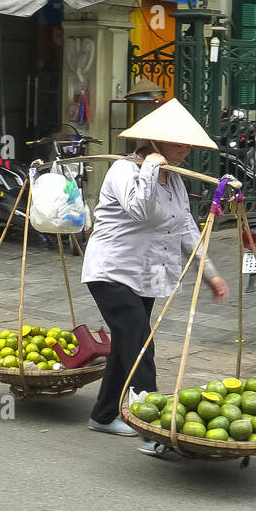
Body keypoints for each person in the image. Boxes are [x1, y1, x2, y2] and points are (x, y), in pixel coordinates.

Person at [81, 98, 228, 455]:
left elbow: (185, 227)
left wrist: (209, 273)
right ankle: (154, 430)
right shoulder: (123, 171)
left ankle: (103, 414)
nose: (186, 151)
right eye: (179, 143)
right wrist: (149, 168)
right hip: (112, 272)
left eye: (188, 144)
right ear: (156, 142)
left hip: (145, 274)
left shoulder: (175, 181)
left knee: (127, 345)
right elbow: (141, 213)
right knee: (141, 347)